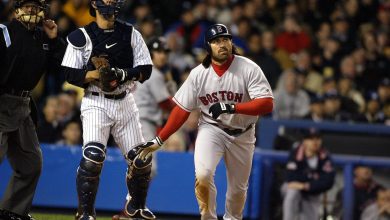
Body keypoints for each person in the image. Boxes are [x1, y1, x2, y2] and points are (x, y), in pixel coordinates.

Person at [137, 23, 274, 220]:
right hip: (212, 128)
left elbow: (267, 104)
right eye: (216, 41)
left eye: (225, 39)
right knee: (203, 174)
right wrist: (160, 140)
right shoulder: (199, 74)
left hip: (243, 132)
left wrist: (232, 107)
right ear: (208, 47)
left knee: (237, 190)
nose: (222, 44)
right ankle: (207, 217)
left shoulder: (248, 68)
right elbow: (181, 110)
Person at [60, 0, 155, 218]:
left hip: (125, 101)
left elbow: (146, 69)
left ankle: (136, 206)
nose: (112, 2)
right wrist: (94, 74)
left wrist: (121, 74)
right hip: (96, 101)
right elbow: (69, 73)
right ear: (94, 4)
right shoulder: (80, 36)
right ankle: (85, 213)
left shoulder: (131, 33)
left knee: (141, 159)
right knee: (92, 158)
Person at [0, 0, 65, 218]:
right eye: (27, 5)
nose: (32, 10)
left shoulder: (43, 37)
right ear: (16, 8)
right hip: (1, 101)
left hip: (23, 105)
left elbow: (64, 64)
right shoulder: (3, 33)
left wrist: (55, 40)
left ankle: (12, 212)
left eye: (37, 7)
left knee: (31, 164)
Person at [112, 37, 176, 220]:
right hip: (142, 122)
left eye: (165, 52)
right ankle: (130, 210)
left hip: (131, 120)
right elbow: (166, 104)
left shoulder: (142, 70)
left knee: (139, 167)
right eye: (159, 52)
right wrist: (182, 105)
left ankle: (132, 210)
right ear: (151, 53)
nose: (162, 56)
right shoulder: (154, 74)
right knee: (147, 167)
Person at [282, 129, 335, 220]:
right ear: (304, 141)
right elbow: (290, 177)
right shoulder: (296, 152)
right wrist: (313, 179)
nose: (315, 142)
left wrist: (307, 185)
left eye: (317, 138)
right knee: (292, 192)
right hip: (293, 188)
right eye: (311, 138)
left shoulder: (324, 156)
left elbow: (328, 181)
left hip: (312, 192)